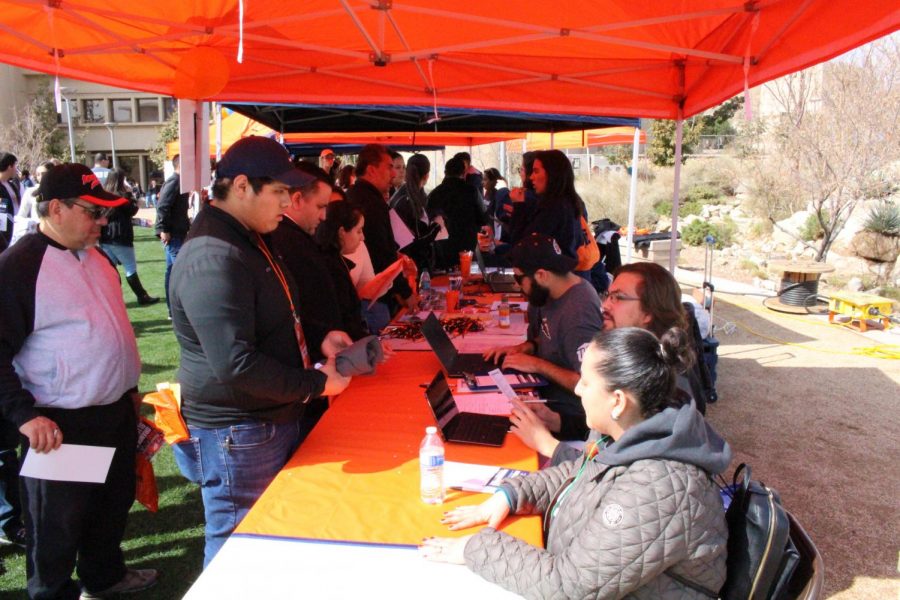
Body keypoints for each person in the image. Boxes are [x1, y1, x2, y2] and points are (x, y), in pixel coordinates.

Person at [421, 327, 731, 599]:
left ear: (618, 401)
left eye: (585, 382)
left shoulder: (660, 487)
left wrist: (475, 548)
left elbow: (569, 586)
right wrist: (510, 495)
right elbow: (579, 471)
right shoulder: (632, 430)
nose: (578, 389)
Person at [168, 136, 352, 567]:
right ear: (242, 186)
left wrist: (320, 336)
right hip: (239, 429)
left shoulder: (247, 235)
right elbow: (236, 363)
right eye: (280, 193)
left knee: (267, 533)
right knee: (238, 542)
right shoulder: (214, 253)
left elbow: (276, 312)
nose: (288, 203)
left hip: (263, 419)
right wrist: (316, 384)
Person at [0, 163, 158, 599]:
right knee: (56, 527)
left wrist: (126, 389)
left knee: (109, 508)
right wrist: (24, 415)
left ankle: (103, 578)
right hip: (61, 423)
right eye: (93, 211)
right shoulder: (19, 266)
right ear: (56, 208)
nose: (103, 222)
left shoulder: (95, 256)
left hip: (112, 411)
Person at [510, 261, 713, 464]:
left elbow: (626, 475)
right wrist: (557, 421)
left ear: (649, 312)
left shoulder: (666, 383)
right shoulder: (635, 359)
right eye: (608, 296)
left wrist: (549, 445)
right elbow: (611, 427)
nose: (605, 305)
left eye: (618, 298)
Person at [483, 233, 602, 442]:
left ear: (541, 275)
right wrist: (527, 347)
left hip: (567, 417)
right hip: (543, 395)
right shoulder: (551, 292)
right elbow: (557, 340)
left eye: (519, 279)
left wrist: (536, 365)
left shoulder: (579, 313)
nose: (518, 286)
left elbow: (588, 383)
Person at [347, 144, 416, 316]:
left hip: (365, 293)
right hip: (373, 298)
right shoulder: (371, 203)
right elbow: (382, 253)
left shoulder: (356, 195)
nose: (393, 174)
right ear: (371, 170)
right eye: (389, 168)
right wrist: (405, 292)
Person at [508, 149, 583, 259]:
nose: (531, 177)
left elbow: (522, 245)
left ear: (552, 173)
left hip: (552, 272)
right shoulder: (569, 201)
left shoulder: (554, 207)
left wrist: (519, 206)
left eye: (536, 171)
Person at [100, 169, 159, 305]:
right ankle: (142, 296)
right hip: (120, 236)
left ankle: (110, 296)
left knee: (110, 269)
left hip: (106, 236)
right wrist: (132, 195)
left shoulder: (103, 195)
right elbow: (132, 210)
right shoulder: (121, 196)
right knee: (130, 267)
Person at [315, 200, 370, 341]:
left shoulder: (334, 260)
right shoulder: (330, 266)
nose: (362, 237)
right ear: (341, 232)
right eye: (358, 231)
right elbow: (345, 318)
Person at [426, 156, 488, 269]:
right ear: (464, 173)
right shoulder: (471, 191)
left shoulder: (435, 193)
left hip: (442, 248)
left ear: (445, 172)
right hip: (466, 246)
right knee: (465, 279)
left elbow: (428, 221)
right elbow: (483, 218)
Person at [155, 153, 191, 318]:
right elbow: (163, 206)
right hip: (173, 234)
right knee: (179, 272)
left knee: (172, 272)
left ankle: (173, 310)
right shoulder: (174, 181)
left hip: (176, 232)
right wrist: (163, 229)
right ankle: (180, 309)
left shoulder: (178, 181)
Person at [389, 154, 439, 271]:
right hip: (411, 266)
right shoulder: (406, 200)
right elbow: (413, 244)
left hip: (412, 264)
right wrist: (436, 227)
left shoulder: (416, 195)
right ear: (427, 176)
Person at [0, 152, 21, 252]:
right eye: (15, 165)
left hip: (17, 226)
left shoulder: (12, 185)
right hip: (4, 231)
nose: (16, 169)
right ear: (9, 166)